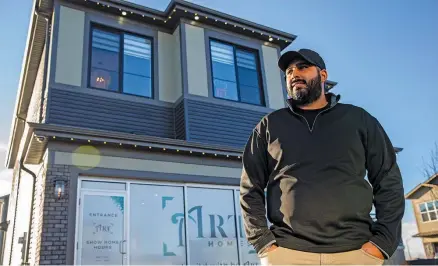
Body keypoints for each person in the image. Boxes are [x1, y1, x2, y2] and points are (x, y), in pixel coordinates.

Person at [239, 48, 405, 265]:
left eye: (303, 67)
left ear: (323, 76)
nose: (294, 74)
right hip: (287, 253)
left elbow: (388, 179)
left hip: (355, 253)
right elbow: (250, 186)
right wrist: (263, 242)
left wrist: (383, 241)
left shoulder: (359, 120)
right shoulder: (270, 126)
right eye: (289, 71)